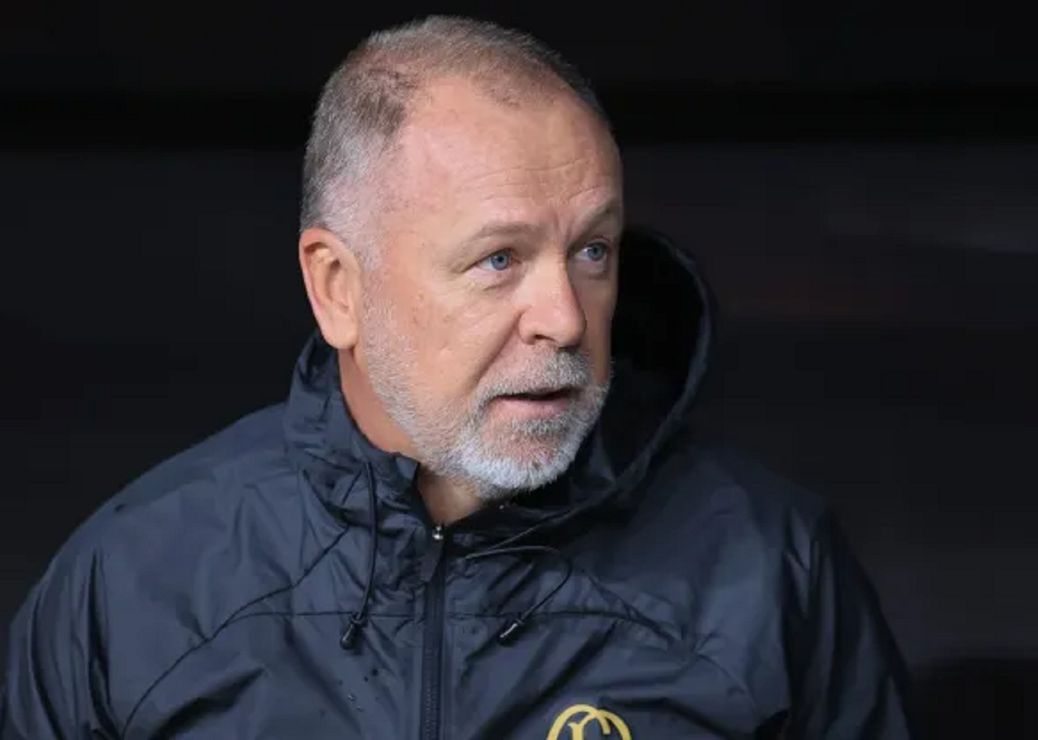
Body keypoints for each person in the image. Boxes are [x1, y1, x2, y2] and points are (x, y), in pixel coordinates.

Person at [1, 16, 914, 739]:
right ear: (338, 287)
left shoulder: (773, 570)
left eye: (592, 250)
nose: (565, 318)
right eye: (498, 260)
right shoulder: (132, 587)